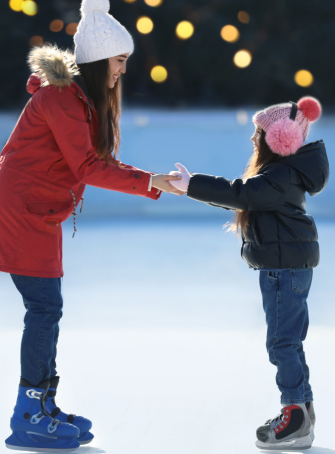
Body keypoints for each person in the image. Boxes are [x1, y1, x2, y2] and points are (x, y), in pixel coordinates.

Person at [0, 0, 182, 451]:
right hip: (21, 209)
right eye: (120, 61)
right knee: (44, 308)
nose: (123, 70)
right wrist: (150, 182)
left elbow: (96, 162)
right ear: (101, 59)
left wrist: (151, 180)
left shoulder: (77, 99)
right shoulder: (62, 98)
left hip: (38, 210)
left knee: (46, 307)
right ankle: (29, 413)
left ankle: (41, 405)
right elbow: (87, 167)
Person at [169, 97, 329, 450]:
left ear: (281, 138)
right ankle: (302, 410)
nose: (254, 139)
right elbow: (246, 196)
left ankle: (295, 417)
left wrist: (190, 183)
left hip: (283, 270)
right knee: (289, 341)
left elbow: (240, 194)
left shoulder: (280, 176)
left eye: (260, 132)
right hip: (287, 267)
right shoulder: (285, 173)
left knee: (282, 343)